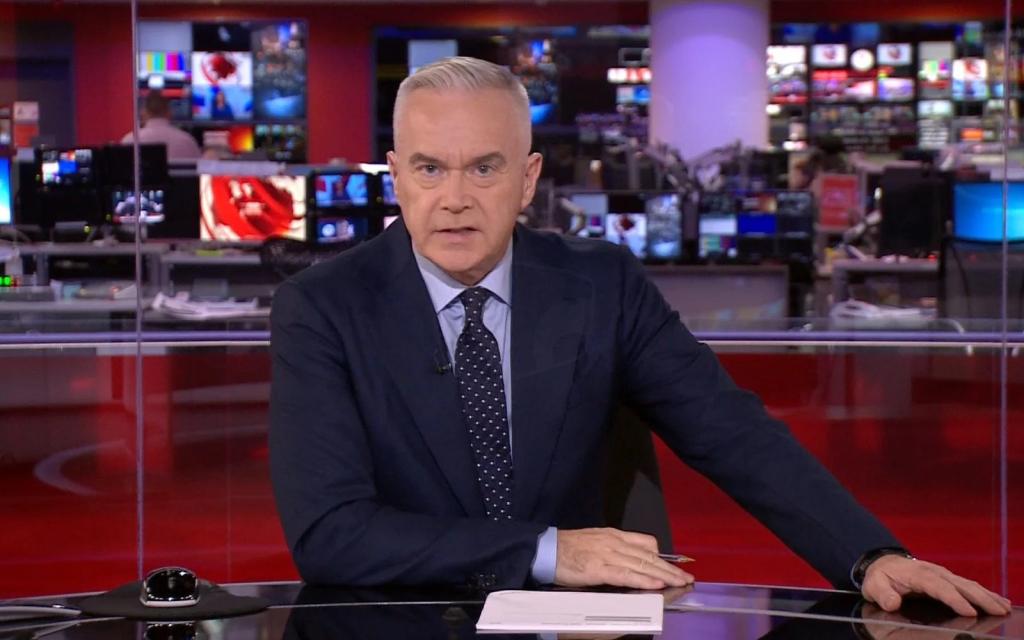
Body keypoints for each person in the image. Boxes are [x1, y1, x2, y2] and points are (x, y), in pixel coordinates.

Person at [269, 57, 1011, 617]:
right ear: (397, 176)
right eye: (430, 169)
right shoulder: (324, 307)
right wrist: (549, 551)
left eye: (485, 169)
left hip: (567, 628)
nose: (455, 199)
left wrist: (869, 554)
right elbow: (332, 532)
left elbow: (730, 431)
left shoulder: (599, 285)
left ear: (528, 181)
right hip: (387, 623)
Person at [121, 92, 201, 161]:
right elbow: (200, 173)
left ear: (144, 113)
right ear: (169, 113)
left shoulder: (130, 140)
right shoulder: (188, 141)